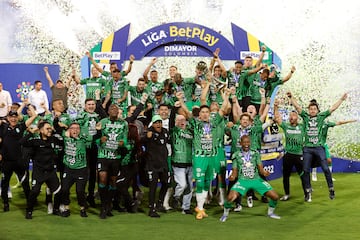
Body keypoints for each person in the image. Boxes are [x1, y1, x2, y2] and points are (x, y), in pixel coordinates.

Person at [180, 84, 230, 220]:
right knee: (200, 182)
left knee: (208, 182)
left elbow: (224, 109)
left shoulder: (214, 121)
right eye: (202, 112)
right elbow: (187, 113)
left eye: (207, 112)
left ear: (209, 114)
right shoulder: (196, 123)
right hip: (200, 157)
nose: (205, 114)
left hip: (212, 157)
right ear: (200, 115)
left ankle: (200, 207)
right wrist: (181, 101)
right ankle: (200, 208)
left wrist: (226, 96)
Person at [290, 91, 348, 201]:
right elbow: (297, 107)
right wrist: (291, 97)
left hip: (319, 147)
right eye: (311, 109)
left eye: (314, 109)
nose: (312, 111)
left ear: (317, 110)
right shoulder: (305, 117)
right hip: (307, 148)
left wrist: (341, 99)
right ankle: (307, 192)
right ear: (309, 110)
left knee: (326, 168)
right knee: (306, 170)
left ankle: (331, 188)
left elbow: (333, 108)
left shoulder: (321, 117)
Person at [220, 135, 281, 222]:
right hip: (243, 181)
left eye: (248, 142)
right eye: (244, 142)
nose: (246, 144)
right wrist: (232, 176)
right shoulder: (236, 155)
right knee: (230, 198)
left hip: (256, 180)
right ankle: (225, 215)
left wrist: (265, 172)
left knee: (275, 196)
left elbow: (261, 170)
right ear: (240, 143)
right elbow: (234, 171)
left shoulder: (255, 153)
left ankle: (270, 213)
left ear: (250, 143)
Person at [22, 121, 63, 219]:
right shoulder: (35, 141)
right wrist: (31, 133)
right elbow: (22, 142)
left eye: (50, 128)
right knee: (34, 192)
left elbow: (62, 140)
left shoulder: (53, 139)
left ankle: (56, 209)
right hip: (39, 172)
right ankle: (29, 211)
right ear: (40, 130)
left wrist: (56, 129)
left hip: (50, 172)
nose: (49, 130)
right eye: (47, 128)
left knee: (58, 192)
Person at [0, 108, 37, 212]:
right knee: (4, 183)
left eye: (15, 117)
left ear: (17, 118)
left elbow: (34, 116)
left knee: (25, 183)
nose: (13, 119)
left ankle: (30, 204)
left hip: (19, 161)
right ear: (8, 118)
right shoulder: (3, 127)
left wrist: (28, 105)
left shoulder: (21, 127)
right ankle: (5, 203)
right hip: (6, 161)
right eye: (11, 117)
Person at [95, 104, 128, 219]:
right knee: (103, 178)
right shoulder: (102, 122)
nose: (114, 110)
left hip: (116, 157)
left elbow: (125, 139)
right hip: (103, 155)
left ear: (118, 111)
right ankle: (103, 207)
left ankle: (108, 205)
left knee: (113, 182)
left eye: (116, 109)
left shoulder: (123, 123)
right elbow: (96, 139)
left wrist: (123, 143)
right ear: (108, 111)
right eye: (112, 109)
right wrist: (100, 140)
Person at [274, 100, 306, 201]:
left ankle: (307, 193)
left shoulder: (302, 126)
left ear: (297, 117)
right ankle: (287, 194)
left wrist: (294, 102)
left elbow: (304, 115)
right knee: (286, 176)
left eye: (294, 115)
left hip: (299, 155)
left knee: (302, 175)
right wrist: (275, 107)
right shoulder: (286, 125)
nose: (291, 117)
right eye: (290, 115)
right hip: (288, 155)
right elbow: (278, 118)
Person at [61, 122, 89, 217]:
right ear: (69, 130)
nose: (75, 130)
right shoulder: (65, 138)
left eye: (77, 128)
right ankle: (66, 208)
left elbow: (90, 137)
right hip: (68, 169)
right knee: (64, 189)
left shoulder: (83, 140)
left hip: (81, 169)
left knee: (80, 191)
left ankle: (82, 208)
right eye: (73, 128)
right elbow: (57, 128)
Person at [145, 115, 171, 218]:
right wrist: (147, 137)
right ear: (153, 124)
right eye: (156, 122)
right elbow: (143, 140)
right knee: (153, 186)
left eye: (160, 122)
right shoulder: (149, 132)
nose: (158, 124)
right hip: (152, 165)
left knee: (166, 183)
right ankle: (151, 208)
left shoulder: (165, 132)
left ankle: (160, 203)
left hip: (163, 164)